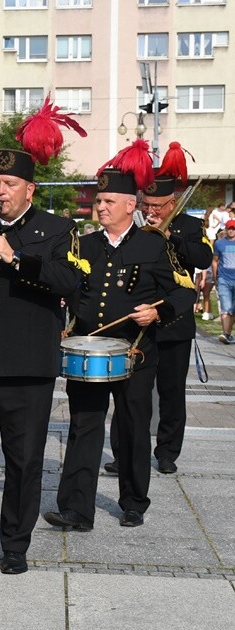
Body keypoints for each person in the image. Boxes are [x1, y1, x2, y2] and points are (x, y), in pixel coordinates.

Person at [0, 148, 82, 579]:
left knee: (24, 459)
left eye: (8, 185)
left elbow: (71, 282)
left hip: (28, 367)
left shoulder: (58, 229)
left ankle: (15, 545)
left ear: (30, 189)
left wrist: (16, 257)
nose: (0, 192)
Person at [44, 165, 196, 533]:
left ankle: (133, 502)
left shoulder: (154, 243)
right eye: (98, 200)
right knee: (84, 427)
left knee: (131, 428)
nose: (101, 207)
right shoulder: (85, 244)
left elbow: (185, 290)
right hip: (90, 350)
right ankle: (77, 510)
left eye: (109, 201)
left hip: (135, 353)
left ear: (131, 205)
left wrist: (157, 311)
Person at [107, 170, 211, 475]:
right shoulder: (133, 226)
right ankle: (123, 451)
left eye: (158, 206)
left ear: (173, 202)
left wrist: (170, 237)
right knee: (128, 393)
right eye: (147, 204)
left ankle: (166, 451)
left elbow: (203, 258)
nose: (151, 211)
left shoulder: (189, 226)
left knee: (171, 391)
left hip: (174, 320)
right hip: (138, 320)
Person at [214, 220, 235, 345]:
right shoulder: (219, 243)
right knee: (225, 308)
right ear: (226, 229)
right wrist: (216, 277)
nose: (231, 230)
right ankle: (226, 334)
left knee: (233, 309)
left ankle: (227, 334)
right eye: (229, 228)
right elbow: (215, 260)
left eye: (233, 228)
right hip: (224, 279)